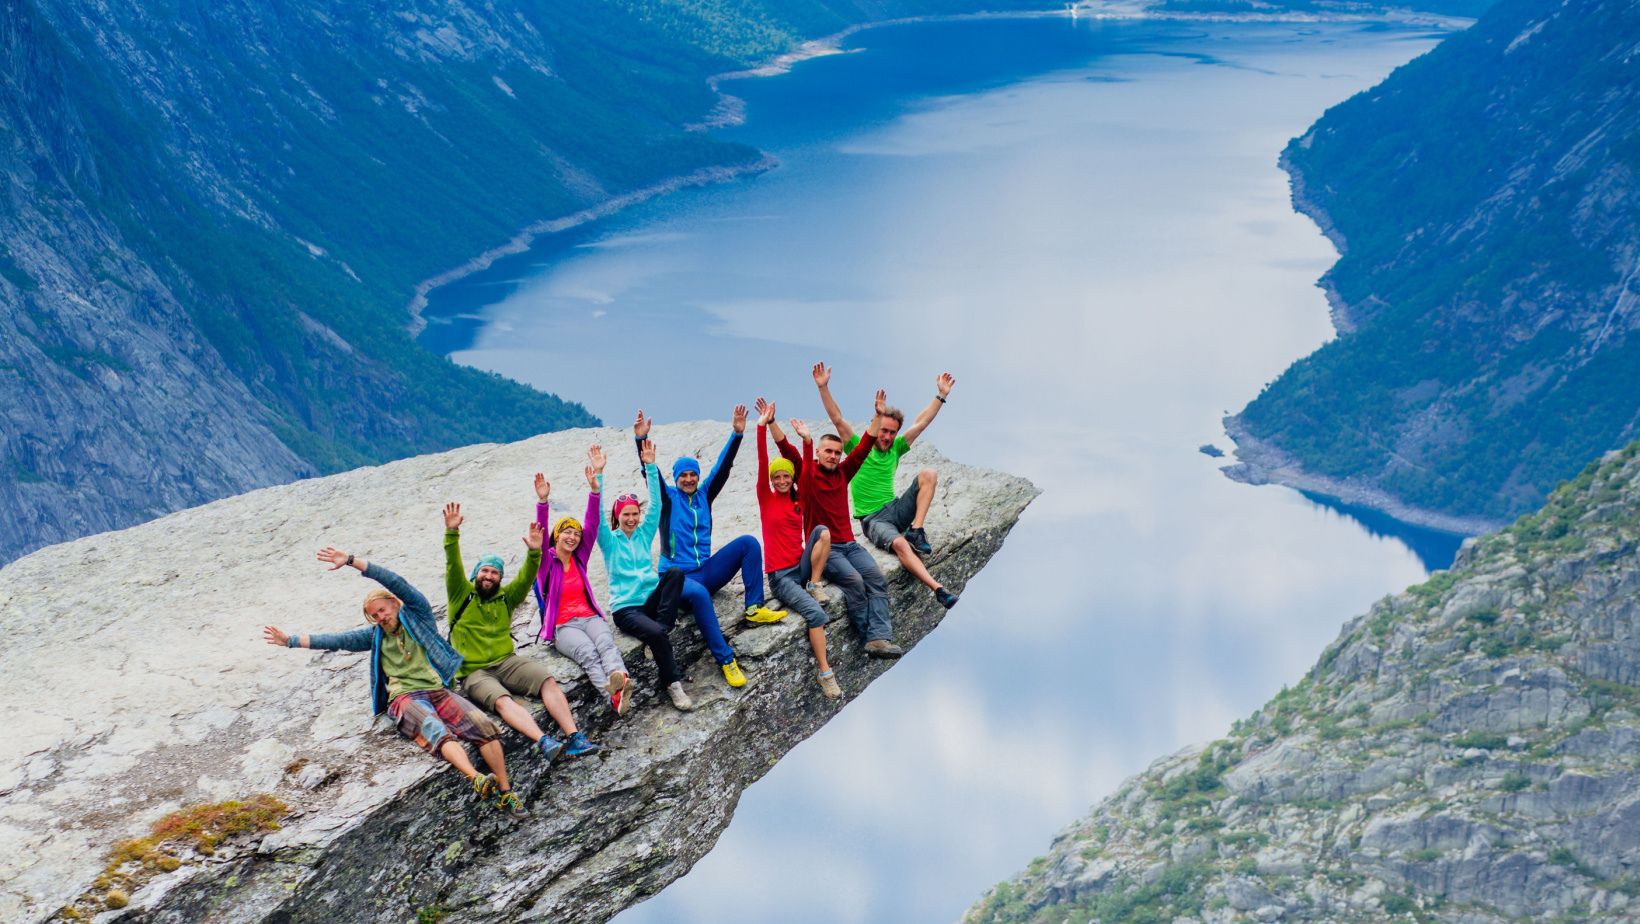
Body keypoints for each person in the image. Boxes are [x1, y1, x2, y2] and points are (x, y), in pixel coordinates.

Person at [263, 548, 528, 816]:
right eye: (374, 616)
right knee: (435, 729)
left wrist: (354, 562)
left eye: (382, 610)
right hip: (404, 698)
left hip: (437, 689)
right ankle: (477, 779)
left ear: (394, 603)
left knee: (483, 725)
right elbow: (336, 640)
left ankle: (506, 793)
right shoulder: (375, 636)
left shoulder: (418, 615)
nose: (380, 617)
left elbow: (396, 581)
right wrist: (291, 641)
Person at [633, 407, 784, 689]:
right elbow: (649, 476)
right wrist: (641, 440)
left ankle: (753, 606)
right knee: (700, 593)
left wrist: (737, 434)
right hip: (677, 579)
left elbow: (722, 469)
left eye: (693, 474)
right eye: (684, 475)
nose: (689, 479)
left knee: (748, 544)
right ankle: (726, 660)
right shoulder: (667, 498)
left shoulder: (704, 495)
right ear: (676, 478)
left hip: (706, 570)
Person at [443, 502, 601, 759]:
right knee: (502, 700)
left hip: (507, 661)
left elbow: (528, 577)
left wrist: (535, 553)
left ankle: (575, 737)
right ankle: (545, 741)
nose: (489, 576)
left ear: (500, 578)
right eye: (484, 570)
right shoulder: (461, 594)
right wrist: (452, 533)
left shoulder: (506, 597)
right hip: (473, 672)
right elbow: (452, 564)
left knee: (547, 681)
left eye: (495, 573)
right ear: (475, 574)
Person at [814, 362, 960, 609]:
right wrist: (823, 387)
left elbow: (921, 423)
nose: (887, 437)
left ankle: (917, 529)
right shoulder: (859, 447)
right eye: (883, 431)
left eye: (892, 433)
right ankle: (938, 589)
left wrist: (941, 396)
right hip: (874, 519)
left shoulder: (896, 449)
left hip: (895, 509)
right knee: (901, 544)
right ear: (875, 426)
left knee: (929, 473)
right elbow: (837, 419)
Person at [793, 398, 903, 658]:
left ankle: (879, 638)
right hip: (825, 548)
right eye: (828, 451)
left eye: (836, 452)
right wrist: (800, 438)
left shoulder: (843, 473)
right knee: (854, 580)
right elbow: (792, 456)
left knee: (875, 578)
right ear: (818, 453)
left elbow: (865, 445)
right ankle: (868, 636)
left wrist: (877, 416)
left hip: (850, 545)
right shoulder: (808, 476)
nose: (832, 456)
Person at [534, 446, 635, 716]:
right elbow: (541, 536)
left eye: (575, 534)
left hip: (589, 617)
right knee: (589, 653)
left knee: (606, 644)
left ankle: (620, 681)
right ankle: (613, 697)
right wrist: (543, 503)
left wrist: (595, 487)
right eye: (566, 532)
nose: (573, 536)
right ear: (556, 537)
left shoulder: (580, 559)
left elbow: (592, 524)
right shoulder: (547, 563)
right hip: (563, 626)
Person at [752, 397, 841, 698]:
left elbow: (806, 474)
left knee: (823, 532)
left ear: (791, 480)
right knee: (816, 616)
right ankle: (825, 672)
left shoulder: (797, 499)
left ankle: (815, 582)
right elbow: (764, 459)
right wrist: (761, 428)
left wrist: (807, 441)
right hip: (781, 577)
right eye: (776, 477)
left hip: (800, 568)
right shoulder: (766, 498)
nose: (780, 480)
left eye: (785, 476)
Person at [598, 435, 694, 711]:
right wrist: (599, 477)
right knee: (658, 633)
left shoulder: (643, 533)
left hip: (650, 602)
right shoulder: (610, 540)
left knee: (674, 574)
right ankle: (673, 685)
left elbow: (658, 506)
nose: (631, 519)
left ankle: (660, 631)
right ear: (617, 516)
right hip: (627, 609)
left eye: (634, 514)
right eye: (625, 515)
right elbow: (595, 521)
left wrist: (650, 466)